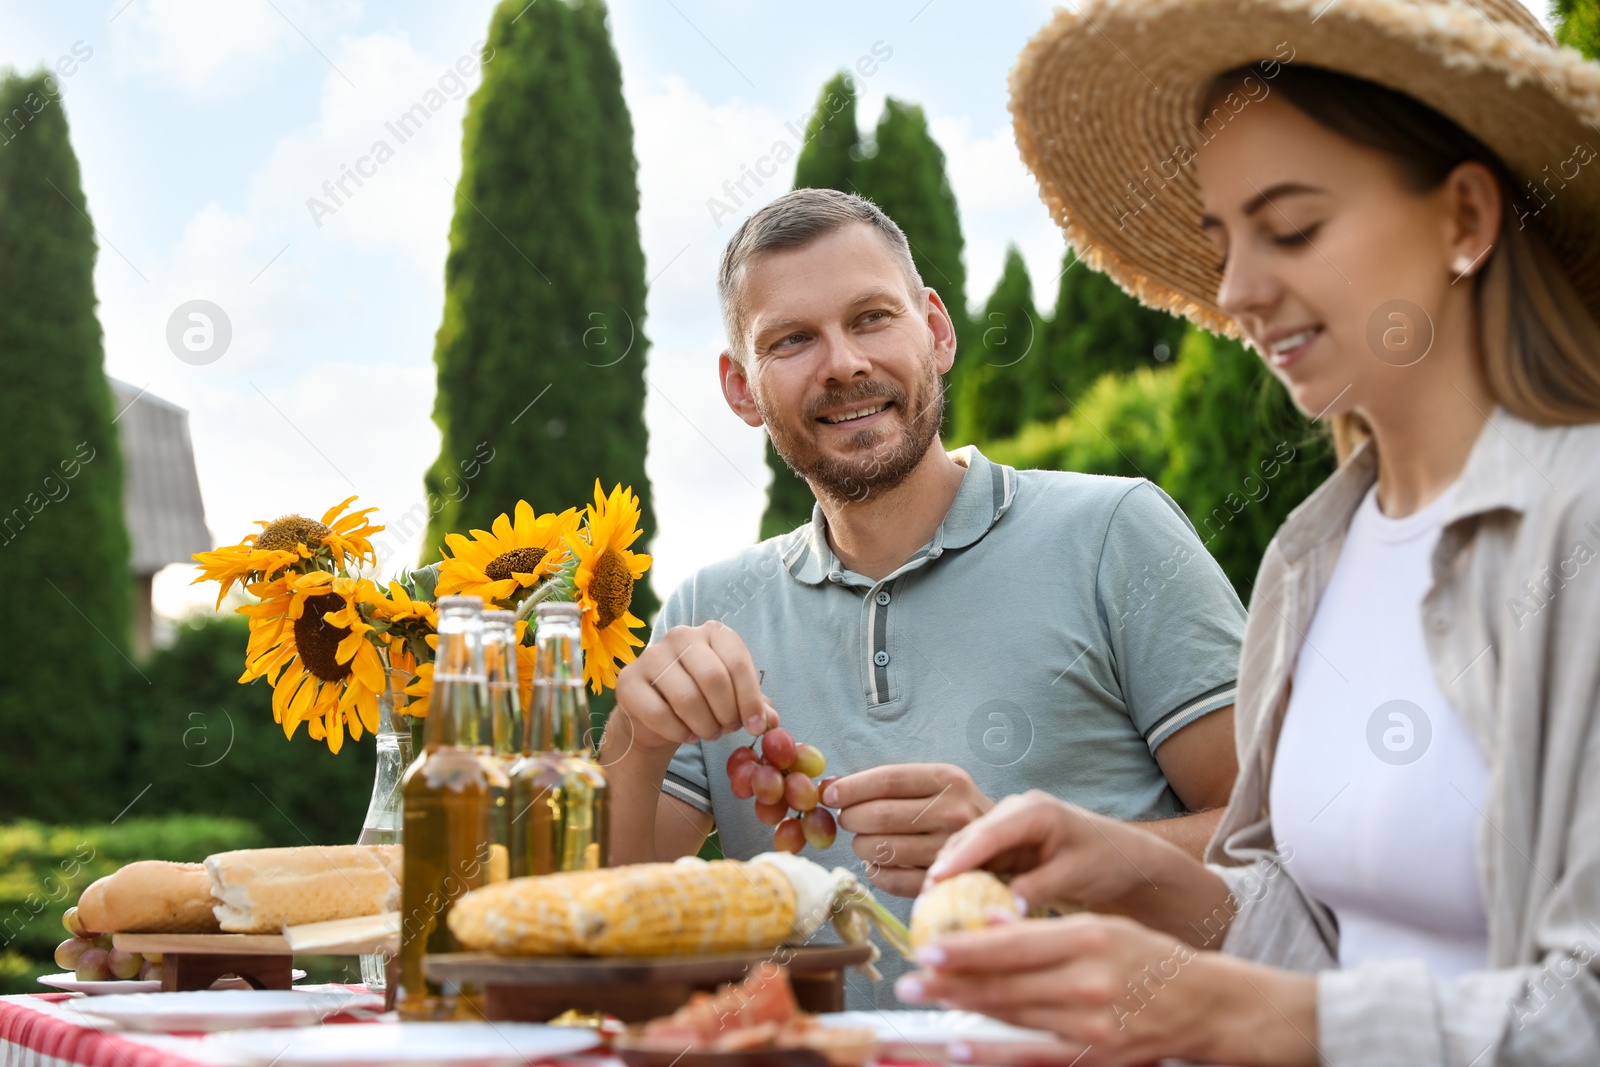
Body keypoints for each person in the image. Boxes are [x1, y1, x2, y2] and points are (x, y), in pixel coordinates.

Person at [900, 0, 1600, 1063]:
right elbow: (1320, 932)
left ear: (1464, 216)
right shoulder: (1315, 552)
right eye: (1221, 240)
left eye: (1293, 227)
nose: (1235, 292)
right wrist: (1139, 873)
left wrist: (1238, 1016)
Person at [598, 187, 1248, 1005]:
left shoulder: (1115, 531)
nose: (843, 363)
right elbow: (608, 932)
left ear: (936, 330)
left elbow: (1282, 847)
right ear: (740, 389)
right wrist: (636, 735)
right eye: (793, 339)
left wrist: (1023, 852)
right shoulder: (708, 606)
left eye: (871, 317)